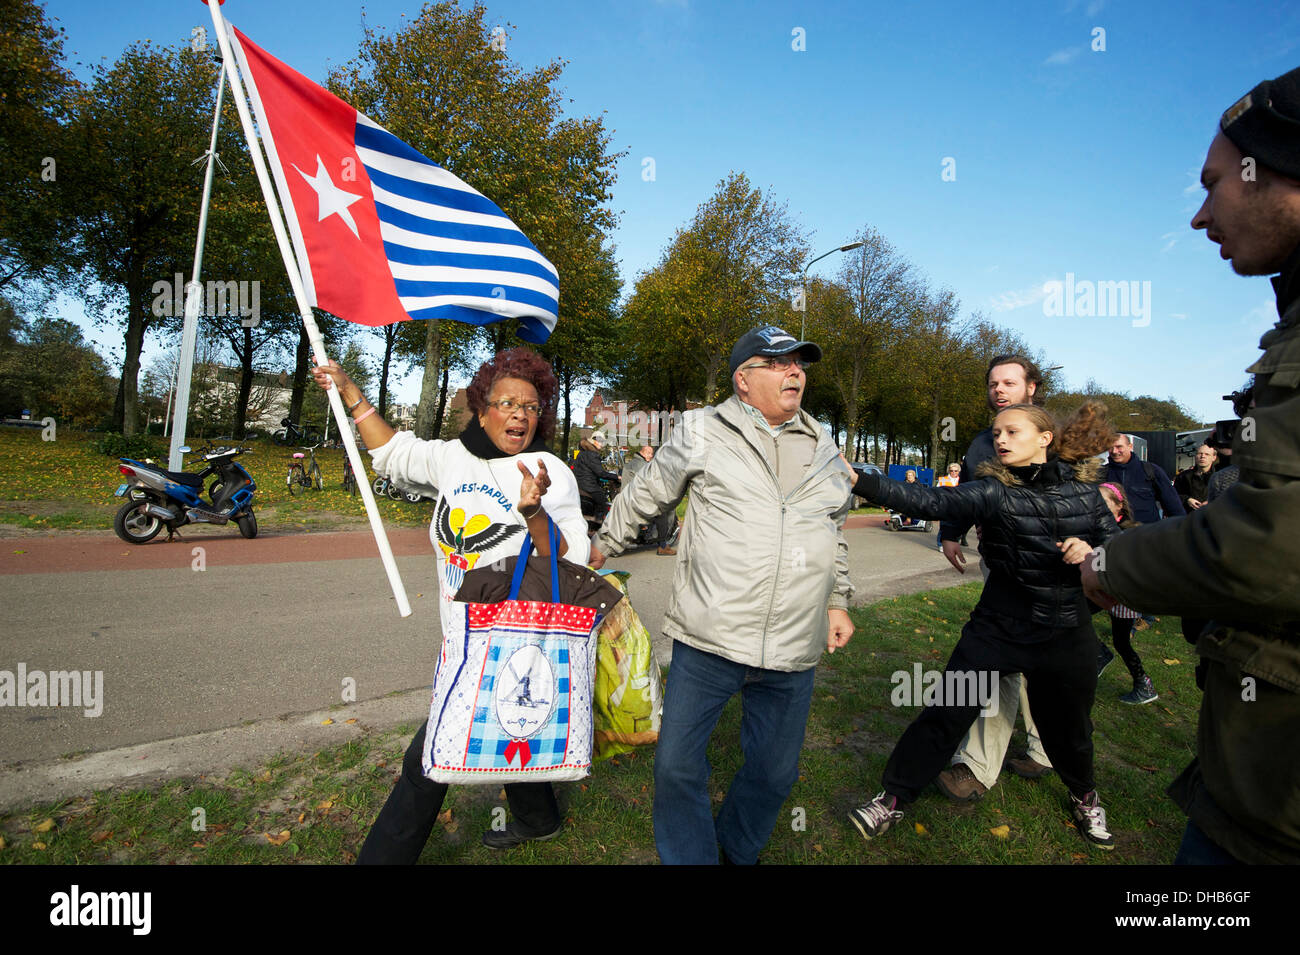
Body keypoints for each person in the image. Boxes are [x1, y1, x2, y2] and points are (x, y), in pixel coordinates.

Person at [1082, 64, 1300, 865]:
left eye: (1215, 185)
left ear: (1280, 171)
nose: (1202, 215)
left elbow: (1271, 545)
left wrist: (1117, 560)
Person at [589, 324, 856, 865]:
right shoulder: (700, 430)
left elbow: (834, 531)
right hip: (709, 635)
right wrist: (599, 548)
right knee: (678, 766)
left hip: (795, 643)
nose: (795, 372)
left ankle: (736, 850)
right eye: (779, 363)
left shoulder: (826, 446)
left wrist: (838, 600)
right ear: (742, 379)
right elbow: (645, 494)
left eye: (799, 364)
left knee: (773, 773)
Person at [312, 348, 590, 862]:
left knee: (431, 755)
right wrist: (349, 392)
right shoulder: (453, 458)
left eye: (531, 406)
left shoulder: (550, 470)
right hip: (460, 634)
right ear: (482, 408)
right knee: (507, 722)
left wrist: (533, 515)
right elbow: (393, 450)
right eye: (507, 402)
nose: (520, 414)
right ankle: (538, 818)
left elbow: (572, 557)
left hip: (515, 635)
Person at [847, 401, 1121, 850]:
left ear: (1045, 438)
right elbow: (931, 500)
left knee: (1069, 730)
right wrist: (861, 479)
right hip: (998, 627)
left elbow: (1119, 549)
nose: (1001, 440)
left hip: (1065, 630)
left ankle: (1085, 795)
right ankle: (892, 799)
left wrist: (1092, 552)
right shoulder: (995, 490)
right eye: (997, 433)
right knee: (945, 713)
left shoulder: (1086, 495)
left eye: (1012, 432)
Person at [934, 355, 1055, 802]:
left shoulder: (1056, 441)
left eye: (1009, 382)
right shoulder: (981, 443)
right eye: (992, 383)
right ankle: (976, 765)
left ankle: (1046, 749)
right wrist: (950, 533)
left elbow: (1083, 501)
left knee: (1039, 664)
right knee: (1000, 659)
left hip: (1050, 573)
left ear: (1032, 388)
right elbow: (965, 495)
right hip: (999, 567)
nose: (999, 389)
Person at [1096, 483, 1158, 704]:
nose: (1098, 508)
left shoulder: (1129, 530)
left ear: (1119, 505)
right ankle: (1100, 653)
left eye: (1104, 504)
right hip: (1105, 590)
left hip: (1123, 596)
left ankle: (1144, 685)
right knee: (1073, 614)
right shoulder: (1100, 527)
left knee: (1122, 642)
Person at [1105, 434, 1185, 524]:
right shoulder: (1102, 474)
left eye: (1119, 447)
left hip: (1147, 532)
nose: (1114, 451)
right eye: (1110, 448)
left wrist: (1181, 528)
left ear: (1130, 447)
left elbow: (1172, 503)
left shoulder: (1151, 470)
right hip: (1114, 533)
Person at [621, 443, 679, 555]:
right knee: (661, 512)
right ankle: (663, 546)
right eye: (651, 454)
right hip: (636, 500)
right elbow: (650, 485)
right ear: (645, 453)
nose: (651, 456)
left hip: (626, 498)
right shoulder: (643, 465)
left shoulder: (631, 463)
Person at [573, 430, 619, 526]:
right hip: (589, 486)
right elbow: (600, 473)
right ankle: (597, 526)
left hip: (578, 485)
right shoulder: (593, 454)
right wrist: (616, 477)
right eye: (600, 441)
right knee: (603, 503)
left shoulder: (582, 453)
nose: (602, 445)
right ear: (594, 441)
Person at [1174, 443, 1219, 512]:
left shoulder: (1219, 476)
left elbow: (1228, 497)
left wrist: (1211, 502)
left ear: (1214, 457)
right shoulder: (1183, 476)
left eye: (1207, 454)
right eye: (1199, 453)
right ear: (1195, 456)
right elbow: (1173, 495)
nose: (1202, 456)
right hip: (1189, 517)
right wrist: (1187, 500)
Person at [935, 462, 961, 550]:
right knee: (944, 526)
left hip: (959, 507)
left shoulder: (962, 480)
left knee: (957, 527)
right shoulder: (943, 480)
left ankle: (954, 543)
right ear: (948, 471)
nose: (953, 472)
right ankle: (940, 544)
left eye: (956, 471)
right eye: (951, 471)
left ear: (959, 471)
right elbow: (937, 492)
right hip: (946, 506)